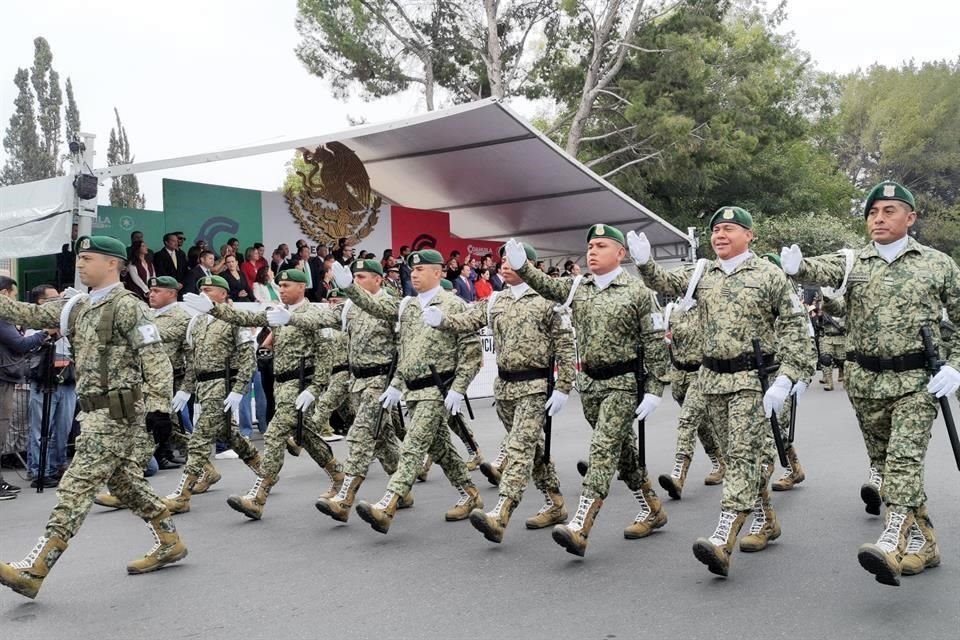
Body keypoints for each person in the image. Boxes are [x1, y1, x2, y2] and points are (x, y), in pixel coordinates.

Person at [780, 180, 960, 586]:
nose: (878, 219)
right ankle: (925, 543)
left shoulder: (938, 264)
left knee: (903, 463)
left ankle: (891, 541)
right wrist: (797, 267)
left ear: (910, 218)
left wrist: (956, 366)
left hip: (916, 380)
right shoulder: (853, 262)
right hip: (865, 382)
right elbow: (820, 268)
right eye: (872, 213)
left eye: (889, 211)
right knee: (884, 464)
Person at [0, 237, 187, 599]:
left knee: (76, 484)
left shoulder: (128, 306)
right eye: (80, 258)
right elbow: (29, 314)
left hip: (118, 414)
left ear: (113, 264)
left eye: (88, 259)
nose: (81, 264)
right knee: (125, 486)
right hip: (93, 412)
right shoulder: (79, 304)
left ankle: (36, 569)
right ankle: (170, 541)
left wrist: (160, 408)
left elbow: (154, 357)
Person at [631, 207, 812, 577]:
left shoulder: (769, 274)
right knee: (737, 458)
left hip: (751, 380)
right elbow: (665, 284)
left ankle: (723, 536)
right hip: (712, 380)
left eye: (729, 229)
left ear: (750, 235)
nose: (720, 235)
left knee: (744, 456)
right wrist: (645, 263)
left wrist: (789, 376)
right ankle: (766, 522)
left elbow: (795, 326)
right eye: (716, 230)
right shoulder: (702, 272)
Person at [504, 225, 669, 557]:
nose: (592, 251)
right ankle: (652, 508)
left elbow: (654, 343)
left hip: (623, 384)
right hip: (591, 385)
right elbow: (547, 286)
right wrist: (523, 267)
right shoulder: (579, 287)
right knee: (622, 453)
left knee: (602, 451)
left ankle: (580, 525)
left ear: (620, 253)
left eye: (601, 245)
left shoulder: (637, 292)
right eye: (590, 246)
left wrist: (654, 389)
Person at [423, 242, 576, 543]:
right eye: (502, 260)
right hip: (504, 388)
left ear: (529, 266)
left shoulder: (547, 300)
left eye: (513, 260)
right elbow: (468, 319)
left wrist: (563, 386)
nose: (504, 264)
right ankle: (555, 502)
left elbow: (565, 345)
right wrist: (443, 321)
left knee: (518, 449)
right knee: (532, 451)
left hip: (534, 387)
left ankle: (500, 512)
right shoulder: (495, 301)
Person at [328, 250, 483, 533]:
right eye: (412, 269)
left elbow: (472, 352)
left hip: (437, 390)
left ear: (438, 272)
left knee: (412, 446)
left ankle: (387, 504)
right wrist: (397, 385)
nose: (414, 273)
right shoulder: (407, 307)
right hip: (413, 391)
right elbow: (404, 350)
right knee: (441, 448)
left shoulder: (453, 304)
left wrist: (458, 389)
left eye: (421, 269)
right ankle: (470, 494)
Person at [184, 269, 344, 520]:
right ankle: (338, 476)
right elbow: (247, 316)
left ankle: (258, 496)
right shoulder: (277, 313)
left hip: (303, 384)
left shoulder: (315, 314)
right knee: (305, 434)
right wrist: (213, 309)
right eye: (279, 285)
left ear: (302, 287)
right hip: (281, 385)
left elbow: (326, 354)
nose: (281, 289)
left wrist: (315, 389)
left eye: (287, 285)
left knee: (275, 432)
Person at [274, 259, 405, 522]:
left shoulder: (391, 303)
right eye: (353, 276)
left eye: (362, 276)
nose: (356, 280)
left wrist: (398, 384)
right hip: (357, 382)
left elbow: (374, 309)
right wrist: (293, 317)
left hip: (380, 382)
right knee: (383, 440)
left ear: (378, 279)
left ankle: (344, 499)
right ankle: (403, 489)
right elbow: (324, 316)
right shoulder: (349, 307)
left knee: (359, 436)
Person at [161, 275, 263, 515]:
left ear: (223, 294)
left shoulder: (233, 320)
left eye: (209, 290)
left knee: (199, 437)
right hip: (203, 387)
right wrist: (186, 389)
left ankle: (182, 495)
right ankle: (264, 470)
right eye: (201, 290)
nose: (204, 294)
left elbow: (248, 357)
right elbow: (192, 361)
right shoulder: (196, 323)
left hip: (223, 384)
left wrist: (239, 389)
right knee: (229, 435)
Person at [654, 294, 726, 500]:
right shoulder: (672, 311)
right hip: (679, 377)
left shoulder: (709, 307)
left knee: (687, 420)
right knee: (701, 424)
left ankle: (678, 475)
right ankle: (719, 463)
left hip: (702, 374)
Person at [0, 277, 48, 499]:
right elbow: (20, 344)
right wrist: (45, 332)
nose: (15, 299)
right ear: (4, 293)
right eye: (12, 294)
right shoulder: (2, 317)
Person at [25, 285, 77, 488]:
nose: (59, 302)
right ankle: (39, 470)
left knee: (63, 428)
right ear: (41, 302)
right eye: (53, 299)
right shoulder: (34, 323)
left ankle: (57, 466)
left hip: (67, 381)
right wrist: (51, 332)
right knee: (40, 429)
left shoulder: (68, 320)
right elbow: (29, 345)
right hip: (43, 381)